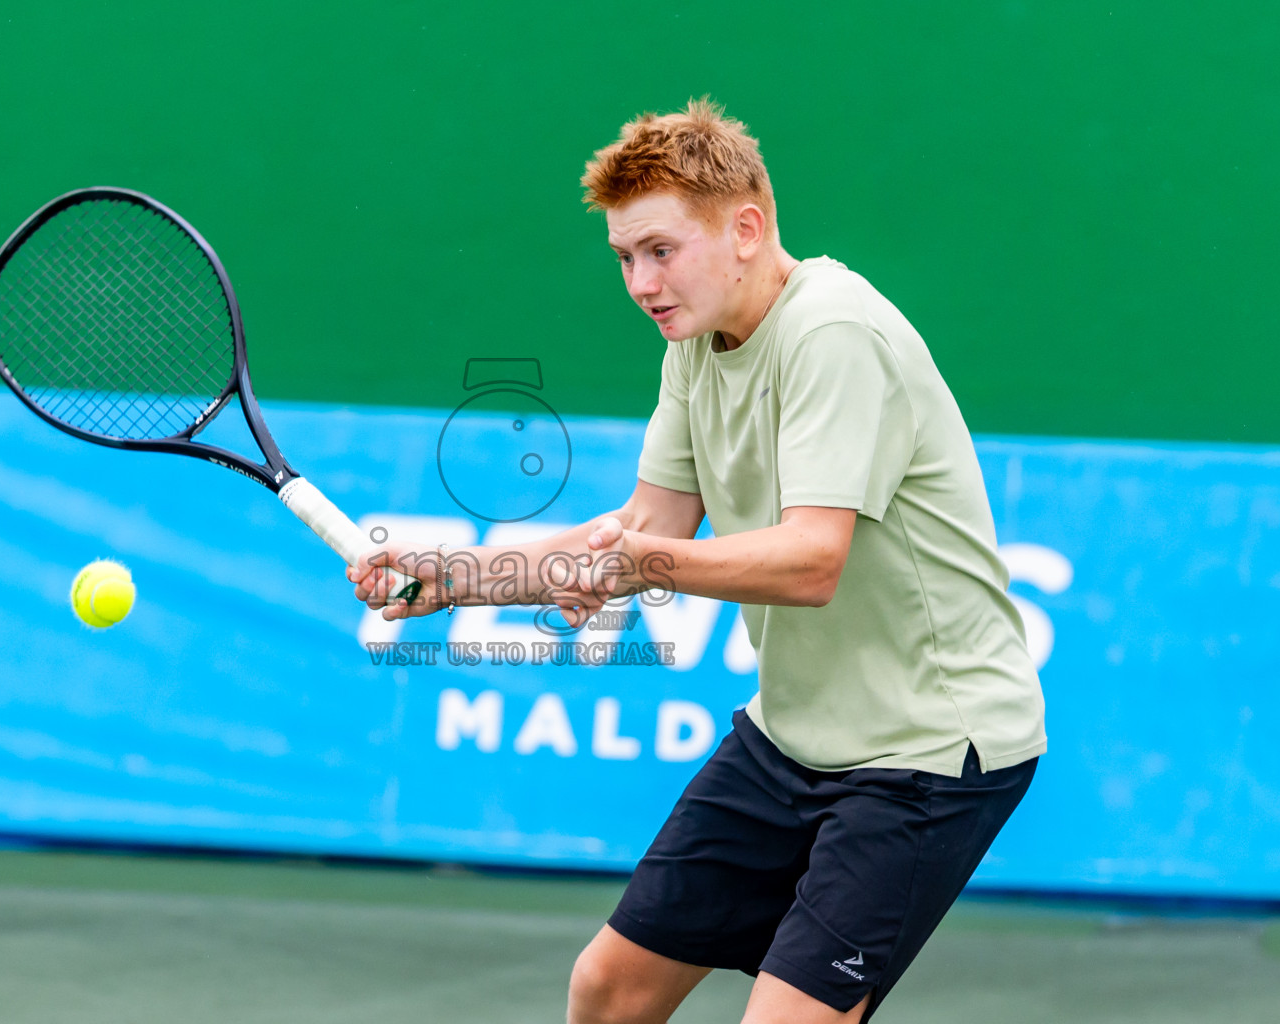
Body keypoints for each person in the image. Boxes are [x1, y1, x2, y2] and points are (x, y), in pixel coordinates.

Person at [347, 98, 1046, 1024]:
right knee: (608, 990)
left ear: (746, 230)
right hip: (792, 735)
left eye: (661, 251)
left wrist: (651, 565)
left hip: (927, 751)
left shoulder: (834, 332)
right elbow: (641, 524)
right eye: (625, 258)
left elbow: (810, 563)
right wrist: (463, 577)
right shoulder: (697, 343)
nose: (641, 281)